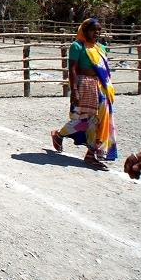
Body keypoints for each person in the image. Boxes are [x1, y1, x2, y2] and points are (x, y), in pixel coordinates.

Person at [50, 18, 117, 170]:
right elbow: (72, 69)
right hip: (85, 86)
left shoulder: (101, 47)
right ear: (85, 30)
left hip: (101, 88)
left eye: (99, 30)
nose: (97, 32)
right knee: (82, 121)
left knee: (99, 121)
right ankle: (59, 135)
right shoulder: (77, 46)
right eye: (94, 29)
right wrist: (73, 90)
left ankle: (91, 154)